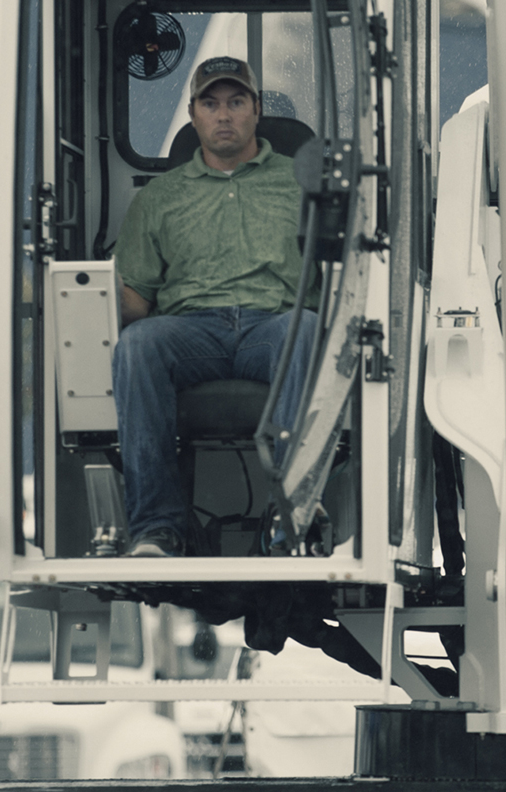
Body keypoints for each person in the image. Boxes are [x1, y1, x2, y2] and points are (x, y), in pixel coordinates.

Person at [112, 56, 314, 558]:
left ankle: (293, 520)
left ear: (256, 109)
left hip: (273, 327)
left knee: (306, 330)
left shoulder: (303, 185)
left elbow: (340, 275)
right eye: (210, 103)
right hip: (190, 333)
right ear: (193, 114)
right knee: (137, 345)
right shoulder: (160, 197)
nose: (223, 115)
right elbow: (135, 300)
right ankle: (158, 529)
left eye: (236, 102)